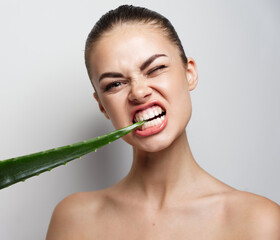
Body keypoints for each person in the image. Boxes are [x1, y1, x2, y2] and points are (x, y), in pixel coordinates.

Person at [46, 5, 280, 239]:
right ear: (102, 106)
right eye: (115, 84)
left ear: (190, 74)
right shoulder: (73, 220)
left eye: (156, 68)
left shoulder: (258, 221)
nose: (138, 92)